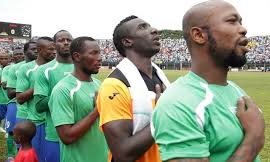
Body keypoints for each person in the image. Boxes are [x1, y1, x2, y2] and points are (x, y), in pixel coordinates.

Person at [151, 1, 265, 162]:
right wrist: (253, 140)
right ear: (199, 35)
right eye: (232, 21)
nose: (243, 29)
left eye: (241, 22)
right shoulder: (177, 104)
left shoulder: (235, 89)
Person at [96, 15, 169, 162]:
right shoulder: (114, 86)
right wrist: (161, 115)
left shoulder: (161, 78)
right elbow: (123, 154)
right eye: (143, 27)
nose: (154, 30)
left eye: (149, 25)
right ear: (127, 41)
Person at [49, 36, 108, 162]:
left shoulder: (100, 85)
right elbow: (66, 137)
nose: (100, 58)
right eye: (93, 53)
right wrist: (97, 110)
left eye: (99, 53)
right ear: (77, 57)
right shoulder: (63, 90)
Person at [34, 30, 74, 162]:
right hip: (55, 134)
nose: (66, 43)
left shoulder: (83, 66)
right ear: (54, 44)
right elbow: (39, 105)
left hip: (83, 134)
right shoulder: (45, 70)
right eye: (61, 40)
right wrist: (63, 95)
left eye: (69, 40)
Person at [16, 37, 56, 162]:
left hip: (55, 123)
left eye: (55, 49)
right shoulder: (26, 69)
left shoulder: (57, 68)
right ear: (39, 50)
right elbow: (20, 98)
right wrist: (39, 85)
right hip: (37, 123)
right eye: (51, 49)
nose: (55, 52)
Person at [5, 45, 31, 161]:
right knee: (13, 132)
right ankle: (11, 155)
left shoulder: (40, 66)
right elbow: (10, 93)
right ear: (13, 57)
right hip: (14, 103)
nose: (19, 56)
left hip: (31, 107)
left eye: (20, 54)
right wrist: (26, 91)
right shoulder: (12, 68)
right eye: (16, 54)